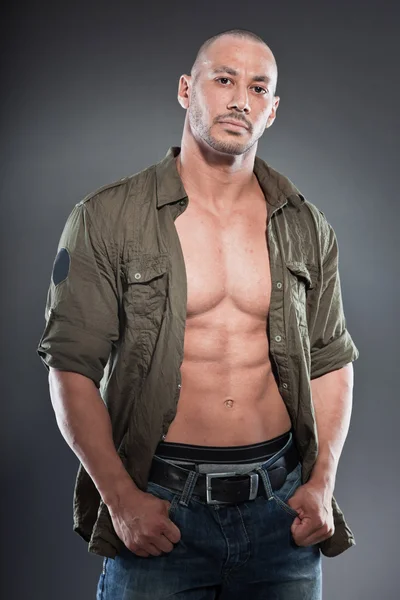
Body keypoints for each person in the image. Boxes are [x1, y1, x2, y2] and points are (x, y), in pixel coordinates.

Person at [36, 27, 359, 600]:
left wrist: (320, 482)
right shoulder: (107, 218)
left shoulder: (306, 226)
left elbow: (331, 362)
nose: (240, 98)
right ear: (187, 90)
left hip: (280, 513)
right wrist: (121, 501)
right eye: (225, 79)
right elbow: (70, 368)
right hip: (161, 509)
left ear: (273, 110)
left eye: (258, 87)